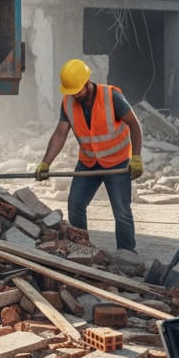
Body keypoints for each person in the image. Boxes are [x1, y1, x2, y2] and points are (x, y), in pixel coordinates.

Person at [33, 58, 144, 254]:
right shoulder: (68, 102)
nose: (74, 95)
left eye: (77, 91)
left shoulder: (112, 97)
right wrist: (45, 163)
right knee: (75, 204)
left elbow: (135, 126)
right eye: (71, 92)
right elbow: (60, 134)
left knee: (122, 212)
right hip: (88, 162)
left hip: (116, 163)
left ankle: (127, 254)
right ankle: (81, 249)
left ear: (88, 83)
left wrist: (136, 157)